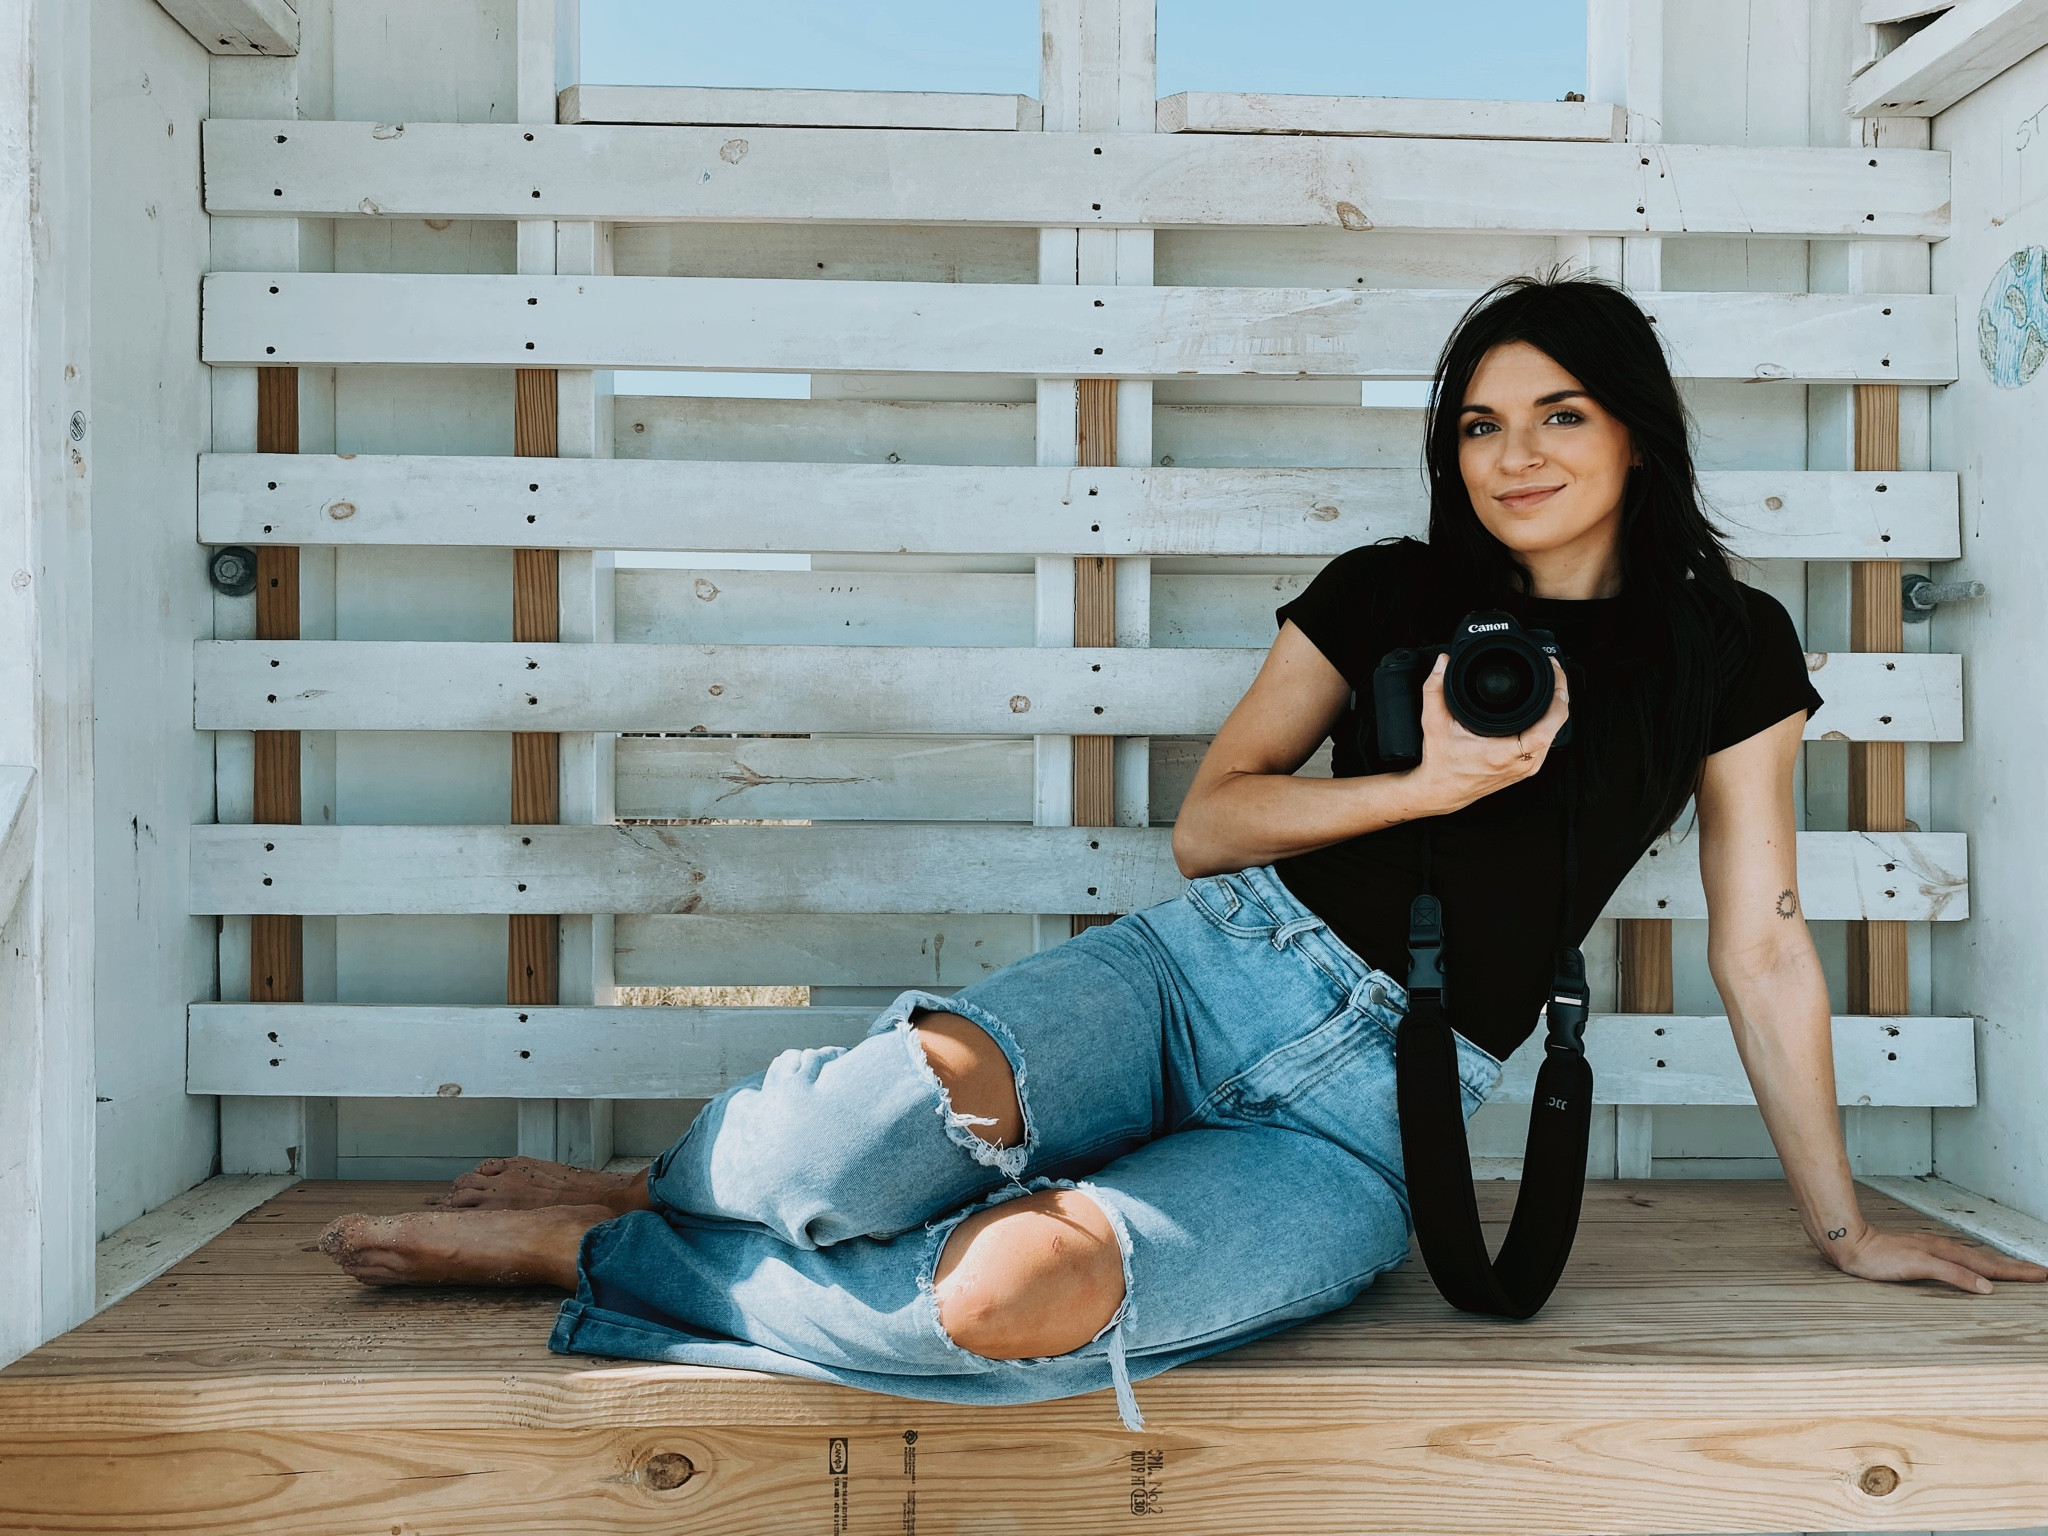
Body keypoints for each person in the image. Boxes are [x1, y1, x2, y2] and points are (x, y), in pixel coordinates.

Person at [318, 273, 2045, 1428]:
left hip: (1374, 1119)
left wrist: (1841, 1231)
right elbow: (1214, 817)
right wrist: (1423, 788)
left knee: (1018, 1302)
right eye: (1478, 423)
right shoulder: (1390, 590)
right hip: (1201, 975)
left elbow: (1762, 940)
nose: (1513, 456)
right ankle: (670, 1188)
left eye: (1560, 414)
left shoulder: (1725, 644)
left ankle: (606, 1252)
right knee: (856, 1131)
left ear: (1639, 428)